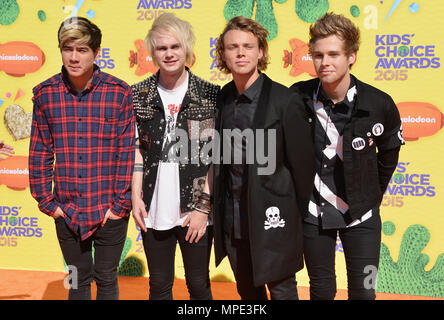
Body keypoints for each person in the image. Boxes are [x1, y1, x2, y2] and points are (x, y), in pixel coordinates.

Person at [290, 13, 404, 300]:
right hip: (313, 214)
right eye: (318, 55)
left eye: (333, 54)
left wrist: (371, 195)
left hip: (362, 215)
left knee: (364, 293)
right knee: (321, 291)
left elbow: (389, 156)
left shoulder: (379, 103)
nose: (324, 62)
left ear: (351, 56)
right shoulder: (297, 98)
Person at [29, 17, 135, 300]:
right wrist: (49, 204)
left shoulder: (119, 93)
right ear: (61, 50)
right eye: (68, 48)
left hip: (109, 211)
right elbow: (39, 152)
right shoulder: (45, 95)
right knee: (76, 281)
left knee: (107, 280)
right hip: (67, 212)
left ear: (96, 53)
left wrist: (120, 205)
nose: (74, 57)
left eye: (82, 49)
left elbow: (127, 152)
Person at [213, 16, 315, 300]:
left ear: (261, 52)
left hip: (274, 219)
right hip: (233, 220)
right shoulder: (223, 98)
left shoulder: (284, 100)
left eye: (248, 46)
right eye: (233, 47)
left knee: (282, 291)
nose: (241, 52)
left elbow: (303, 168)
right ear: (223, 54)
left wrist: (294, 217)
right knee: (248, 293)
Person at [131, 13, 219, 300]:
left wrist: (203, 208)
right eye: (161, 48)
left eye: (175, 46)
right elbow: (138, 152)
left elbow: (214, 158)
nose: (168, 54)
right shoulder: (139, 94)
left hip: (196, 208)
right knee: (158, 286)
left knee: (198, 284)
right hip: (153, 205)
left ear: (187, 49)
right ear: (153, 52)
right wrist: (136, 198)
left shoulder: (210, 95)